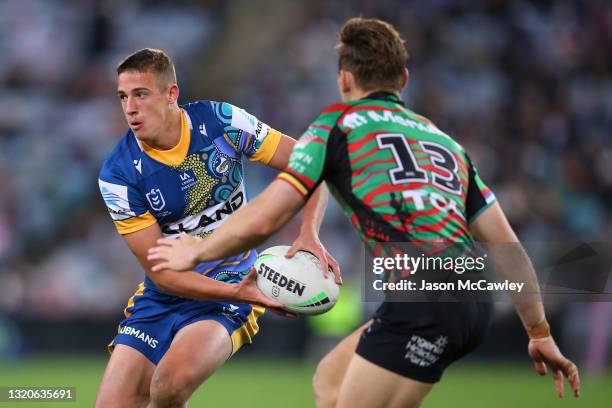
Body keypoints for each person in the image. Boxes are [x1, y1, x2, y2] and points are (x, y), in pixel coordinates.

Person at [147, 18, 581, 408]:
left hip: (427, 295)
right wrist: (539, 331)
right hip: (467, 294)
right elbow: (506, 245)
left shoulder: (336, 127)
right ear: (404, 80)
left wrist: (196, 252)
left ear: (345, 80)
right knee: (329, 382)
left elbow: (265, 217)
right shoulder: (446, 146)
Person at [95, 48, 339, 408]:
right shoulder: (118, 174)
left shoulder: (220, 121)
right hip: (166, 296)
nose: (129, 108)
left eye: (140, 94)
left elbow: (312, 163)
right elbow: (162, 274)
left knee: (169, 384)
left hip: (232, 279)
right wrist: (244, 295)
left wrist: (309, 234)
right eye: (123, 97)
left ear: (171, 94)